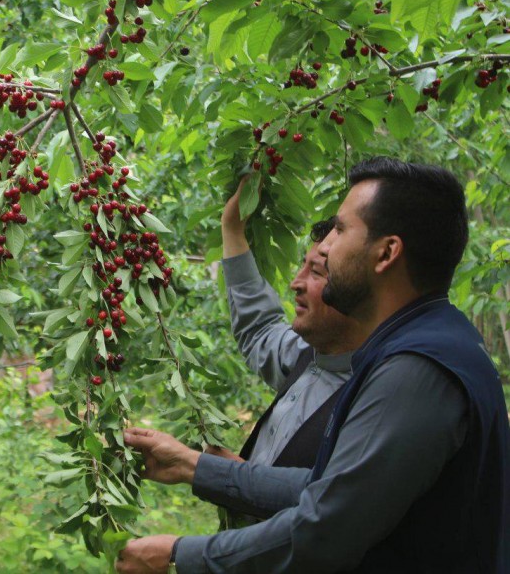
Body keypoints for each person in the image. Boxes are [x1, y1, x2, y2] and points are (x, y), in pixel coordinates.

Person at [116, 157, 510, 573]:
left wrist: (180, 554)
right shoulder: (420, 344)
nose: (324, 246)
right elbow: (331, 488)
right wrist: (194, 466)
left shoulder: (416, 369)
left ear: (387, 252)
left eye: (340, 230)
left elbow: (326, 528)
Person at [211, 181, 364, 523]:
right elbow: (259, 330)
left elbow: (337, 514)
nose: (295, 282)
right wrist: (232, 228)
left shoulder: (374, 398)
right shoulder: (311, 356)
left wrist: (231, 478)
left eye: (317, 272)